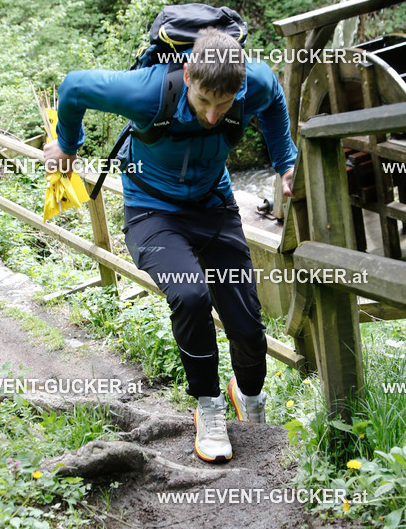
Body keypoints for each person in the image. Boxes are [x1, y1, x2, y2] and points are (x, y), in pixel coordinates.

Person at [44, 26, 297, 463]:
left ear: (239, 88)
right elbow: (73, 87)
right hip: (152, 211)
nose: (213, 116)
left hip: (214, 208)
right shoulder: (147, 93)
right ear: (187, 74)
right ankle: (209, 406)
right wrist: (68, 145)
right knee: (190, 292)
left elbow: (273, 97)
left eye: (225, 104)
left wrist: (285, 160)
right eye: (203, 101)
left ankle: (248, 395)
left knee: (247, 323)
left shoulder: (253, 82)